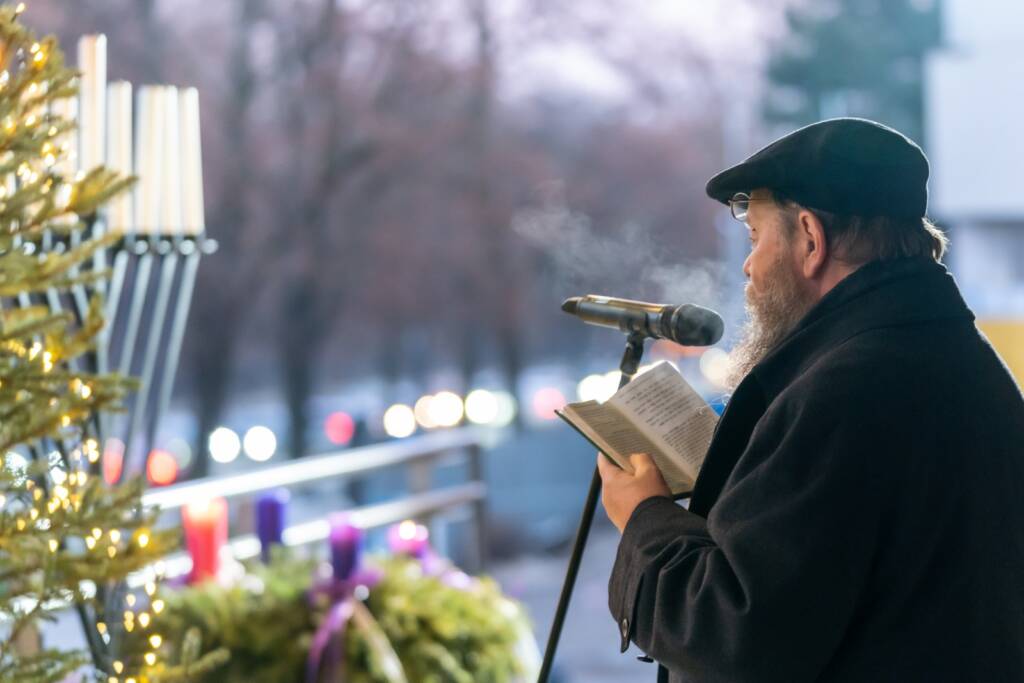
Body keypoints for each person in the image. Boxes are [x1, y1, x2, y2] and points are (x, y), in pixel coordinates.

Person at [597, 118, 1024, 682]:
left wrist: (643, 517)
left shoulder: (848, 389)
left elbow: (738, 635)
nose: (748, 268)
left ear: (810, 238)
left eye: (754, 239)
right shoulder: (950, 352)